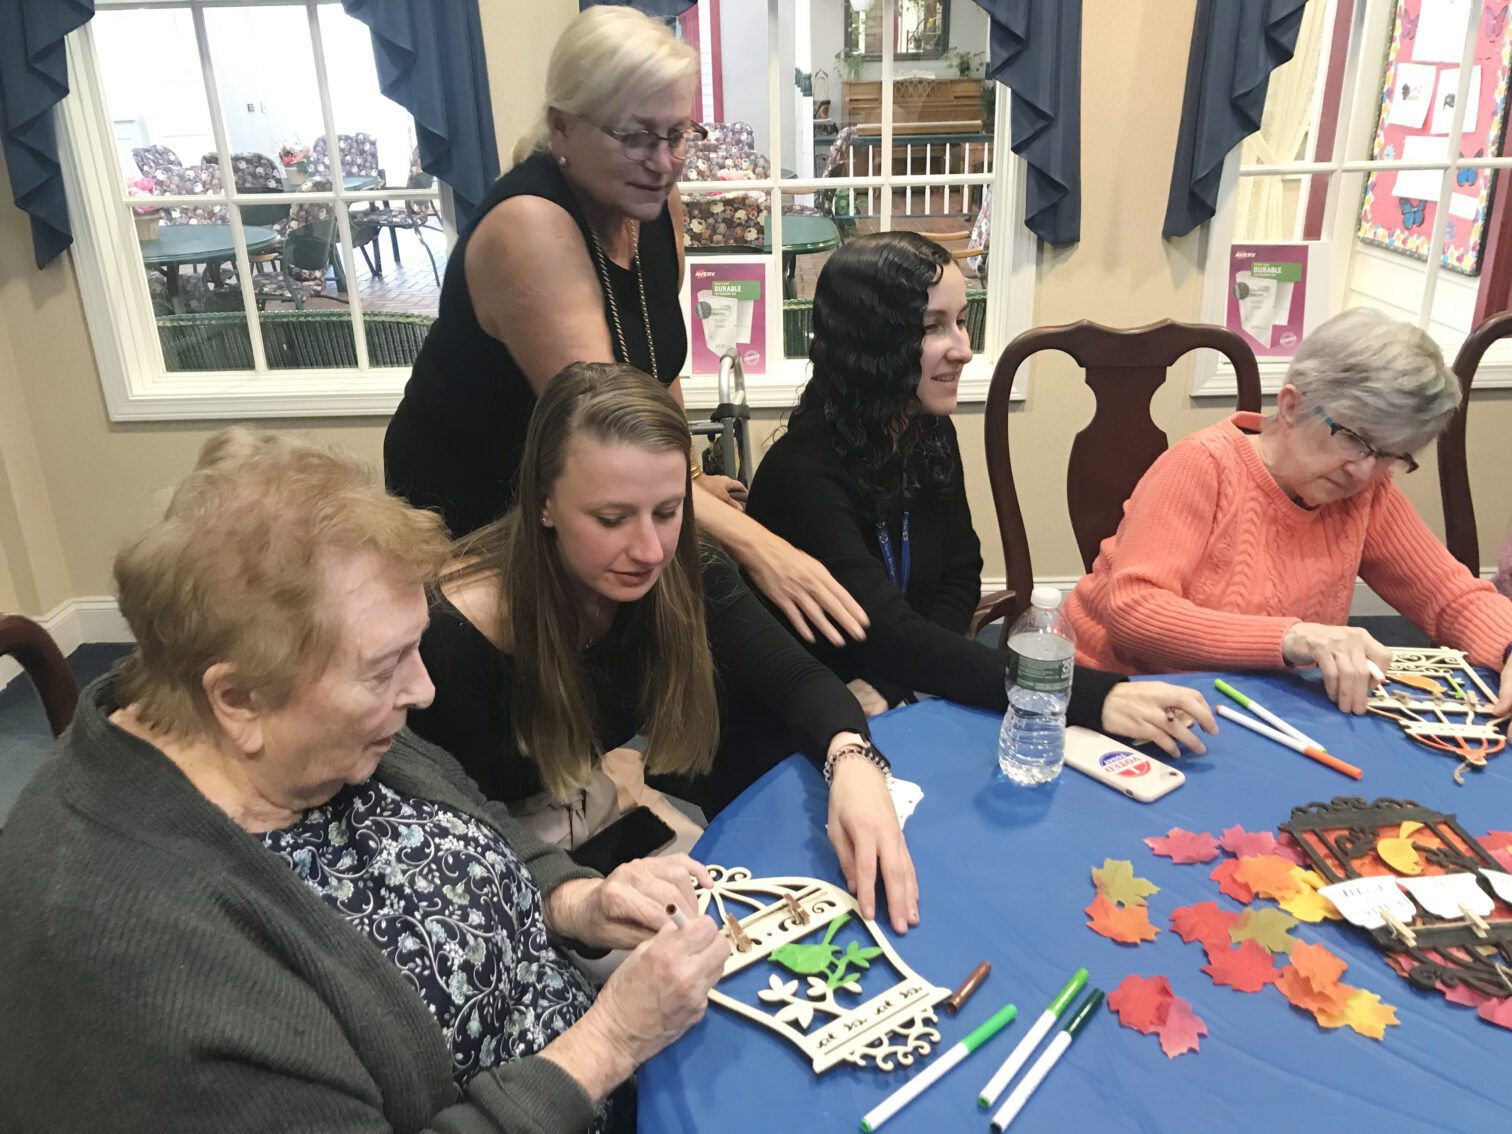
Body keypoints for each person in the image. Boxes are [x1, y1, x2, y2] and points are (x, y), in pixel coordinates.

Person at [0, 428, 729, 1134]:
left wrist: (576, 902)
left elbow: (469, 817)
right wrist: (606, 1046)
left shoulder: (302, 738)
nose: (423, 692)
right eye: (385, 668)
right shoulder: (142, 965)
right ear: (238, 700)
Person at [385, 5, 866, 650]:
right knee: (737, 580)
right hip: (478, 515)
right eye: (637, 136)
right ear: (561, 126)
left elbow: (657, 372)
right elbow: (609, 429)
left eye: (679, 133)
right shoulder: (529, 227)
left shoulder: (654, 206)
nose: (664, 161)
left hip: (589, 502)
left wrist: (689, 482)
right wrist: (761, 548)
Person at [409, 363, 918, 933]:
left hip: (596, 821)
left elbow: (798, 680)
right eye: (612, 518)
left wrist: (852, 760)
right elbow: (433, 836)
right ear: (543, 503)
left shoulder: (685, 570)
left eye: (669, 511)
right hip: (494, 872)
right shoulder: (447, 639)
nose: (650, 550)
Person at [746, 232, 1217, 756]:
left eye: (962, 321)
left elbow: (960, 573)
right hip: (798, 726)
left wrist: (894, 682)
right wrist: (1087, 697)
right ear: (871, 341)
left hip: (895, 695)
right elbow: (882, 631)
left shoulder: (927, 433)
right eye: (932, 327)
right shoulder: (801, 473)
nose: (965, 350)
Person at [1063, 306, 1512, 716]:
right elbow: (1134, 613)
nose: (1363, 470)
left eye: (1391, 454)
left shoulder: (1366, 492)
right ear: (1292, 405)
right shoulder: (1202, 466)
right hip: (1123, 696)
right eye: (1354, 438)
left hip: (1256, 701)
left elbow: (1450, 595)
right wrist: (1293, 638)